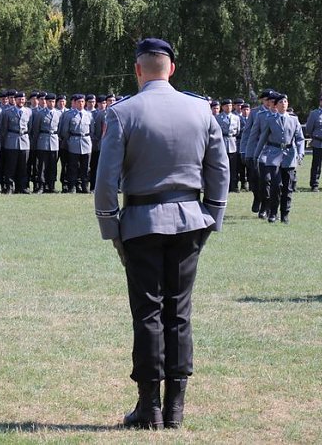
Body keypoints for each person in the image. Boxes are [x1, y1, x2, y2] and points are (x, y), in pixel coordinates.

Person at [94, 38, 228, 430]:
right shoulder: (200, 109)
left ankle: (149, 407)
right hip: (190, 219)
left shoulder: (122, 112)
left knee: (148, 313)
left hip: (140, 222)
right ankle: (175, 409)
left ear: (138, 70)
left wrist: (111, 226)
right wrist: (213, 216)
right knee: (179, 313)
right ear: (171, 68)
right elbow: (219, 169)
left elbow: (106, 180)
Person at [255, 93, 305, 223]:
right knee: (276, 185)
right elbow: (263, 138)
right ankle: (273, 212)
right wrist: (256, 154)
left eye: (285, 102)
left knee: (287, 187)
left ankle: (285, 214)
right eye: (281, 102)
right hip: (273, 155)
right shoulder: (270, 119)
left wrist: (300, 152)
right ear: (276, 106)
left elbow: (300, 138)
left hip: (289, 156)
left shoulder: (294, 120)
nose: (284, 104)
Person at [0, 91, 33, 193]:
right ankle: (9, 187)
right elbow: (4, 128)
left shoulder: (29, 112)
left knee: (23, 166)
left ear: (25, 100)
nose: (21, 101)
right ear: (15, 100)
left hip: (24, 140)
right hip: (11, 140)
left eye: (22, 99)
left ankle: (21, 187)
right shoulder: (8, 112)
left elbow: (30, 127)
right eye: (18, 99)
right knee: (10, 166)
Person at [59, 94, 93, 193]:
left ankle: (84, 186)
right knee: (72, 166)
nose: (81, 104)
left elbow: (92, 130)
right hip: (74, 142)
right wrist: (70, 140)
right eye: (79, 102)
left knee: (86, 167)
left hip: (86, 142)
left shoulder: (89, 115)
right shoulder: (69, 115)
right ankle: (72, 186)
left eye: (82, 101)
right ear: (75, 103)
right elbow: (65, 131)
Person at [30, 92, 62, 193]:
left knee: (53, 165)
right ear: (46, 102)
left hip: (54, 140)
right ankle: (41, 186)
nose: (52, 103)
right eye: (50, 101)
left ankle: (51, 185)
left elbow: (60, 129)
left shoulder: (59, 114)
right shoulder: (40, 113)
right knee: (42, 165)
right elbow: (36, 129)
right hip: (43, 140)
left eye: (53, 101)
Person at [216, 99, 241, 193]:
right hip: (222, 142)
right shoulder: (218, 118)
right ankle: (222, 186)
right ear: (222, 107)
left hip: (232, 143)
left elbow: (237, 131)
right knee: (222, 166)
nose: (229, 107)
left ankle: (233, 186)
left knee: (233, 167)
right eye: (226, 106)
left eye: (230, 106)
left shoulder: (236, 118)